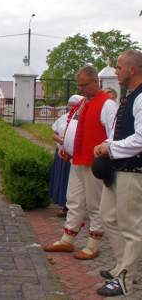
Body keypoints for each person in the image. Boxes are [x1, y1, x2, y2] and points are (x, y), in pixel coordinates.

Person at [43, 66, 117, 260]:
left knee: (95, 204)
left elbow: (113, 135)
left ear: (95, 82)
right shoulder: (82, 103)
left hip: (95, 162)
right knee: (73, 200)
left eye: (84, 85)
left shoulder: (107, 105)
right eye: (79, 85)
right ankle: (67, 240)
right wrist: (65, 148)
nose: (81, 89)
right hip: (77, 159)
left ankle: (94, 244)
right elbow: (71, 127)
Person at [93, 50, 142, 297]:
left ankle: (126, 279)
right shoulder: (130, 96)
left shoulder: (141, 97)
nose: (116, 72)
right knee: (108, 216)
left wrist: (110, 148)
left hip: (134, 171)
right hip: (118, 169)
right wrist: (106, 142)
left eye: (119, 67)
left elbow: (141, 139)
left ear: (132, 70)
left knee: (131, 227)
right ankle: (123, 267)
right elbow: (121, 133)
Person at [49, 94, 84, 217]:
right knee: (61, 179)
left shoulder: (82, 118)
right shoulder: (63, 118)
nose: (71, 107)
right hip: (61, 153)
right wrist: (61, 140)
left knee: (72, 182)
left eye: (74, 105)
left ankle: (72, 207)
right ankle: (63, 205)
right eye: (70, 105)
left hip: (74, 156)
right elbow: (54, 134)